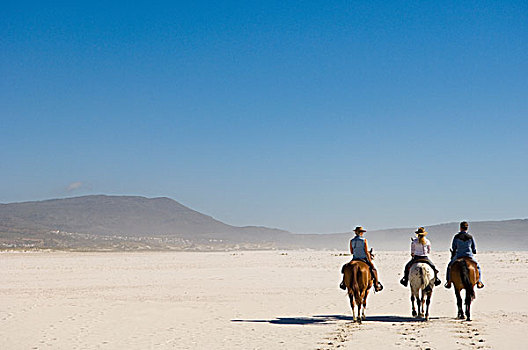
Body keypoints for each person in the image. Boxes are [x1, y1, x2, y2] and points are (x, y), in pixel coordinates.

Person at [340, 226, 383, 292]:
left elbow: (351, 252)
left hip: (355, 258)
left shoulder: (351, 241)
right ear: (361, 233)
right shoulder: (364, 240)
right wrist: (370, 261)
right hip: (363, 258)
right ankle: (376, 284)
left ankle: (343, 283)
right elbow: (366, 252)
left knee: (346, 268)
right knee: (373, 269)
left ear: (355, 232)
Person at [445, 221, 484, 289]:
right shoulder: (470, 237)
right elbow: (473, 248)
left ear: (460, 228)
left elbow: (454, 247)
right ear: (467, 228)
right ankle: (479, 282)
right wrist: (474, 251)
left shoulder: (456, 237)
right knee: (477, 267)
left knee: (449, 266)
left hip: (458, 255)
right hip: (469, 255)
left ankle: (448, 281)